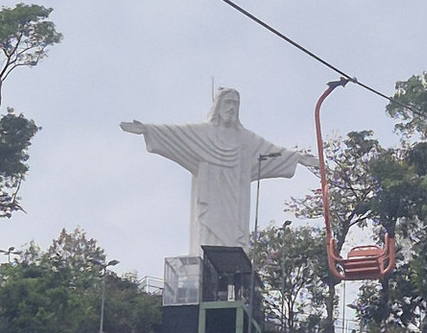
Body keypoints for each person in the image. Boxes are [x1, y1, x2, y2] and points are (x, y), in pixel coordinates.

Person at [121, 88, 318, 255]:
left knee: (233, 243)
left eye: (235, 103)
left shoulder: (246, 139)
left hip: (236, 200)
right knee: (208, 238)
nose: (231, 107)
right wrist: (147, 129)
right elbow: (176, 134)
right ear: (218, 106)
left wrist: (298, 158)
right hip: (210, 197)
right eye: (228, 102)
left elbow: (271, 153)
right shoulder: (203, 132)